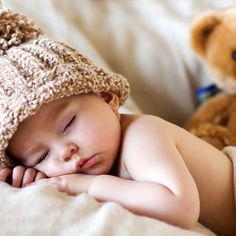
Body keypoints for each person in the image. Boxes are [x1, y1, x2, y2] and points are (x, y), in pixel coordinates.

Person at [0, 5, 235, 236]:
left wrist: (83, 186)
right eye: (41, 156)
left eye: (68, 124)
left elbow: (179, 208)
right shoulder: (88, 162)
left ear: (107, 98)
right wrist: (31, 179)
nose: (65, 152)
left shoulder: (143, 134)